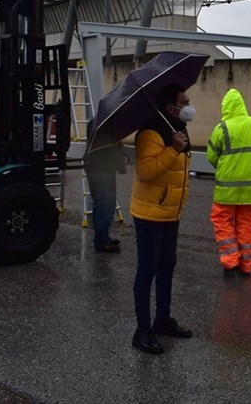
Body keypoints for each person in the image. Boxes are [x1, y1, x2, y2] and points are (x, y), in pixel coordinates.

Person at [128, 83, 196, 354]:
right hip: (150, 213)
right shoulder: (151, 131)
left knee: (168, 265)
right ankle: (142, 329)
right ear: (171, 107)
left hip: (170, 212)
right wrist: (172, 150)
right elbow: (146, 172)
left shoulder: (176, 127)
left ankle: (163, 319)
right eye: (185, 101)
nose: (190, 106)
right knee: (148, 269)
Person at [206, 88, 251, 276]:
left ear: (226, 108)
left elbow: (211, 156)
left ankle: (230, 261)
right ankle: (247, 264)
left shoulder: (222, 128)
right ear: (242, 106)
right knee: (246, 225)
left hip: (225, 190)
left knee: (222, 221)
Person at [83, 115, 129, 253]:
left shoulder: (95, 121)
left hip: (94, 168)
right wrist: (120, 145)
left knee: (99, 205)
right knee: (106, 206)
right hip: (103, 170)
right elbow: (109, 151)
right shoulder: (107, 125)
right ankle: (102, 242)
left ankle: (101, 238)